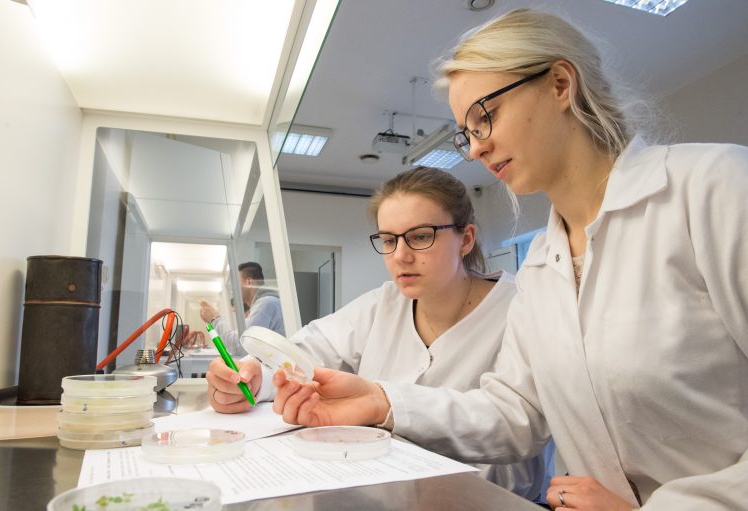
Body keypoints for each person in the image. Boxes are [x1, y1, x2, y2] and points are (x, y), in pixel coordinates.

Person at [269, 9, 748, 511]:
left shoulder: (712, 189)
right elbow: (515, 414)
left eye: (486, 117)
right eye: (467, 133)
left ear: (560, 84)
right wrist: (381, 402)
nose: (476, 149)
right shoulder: (542, 264)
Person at [206, 167, 554, 501]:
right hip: (384, 492)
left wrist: (384, 403)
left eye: (420, 236)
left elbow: (519, 425)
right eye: (389, 240)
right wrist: (255, 378)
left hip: (488, 500)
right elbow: (305, 351)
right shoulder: (382, 304)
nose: (400, 256)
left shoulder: (520, 307)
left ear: (466, 239)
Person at [200, 261, 285, 356]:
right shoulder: (263, 304)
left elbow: (240, 346)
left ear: (248, 282)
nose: (233, 289)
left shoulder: (266, 304)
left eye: (236, 283)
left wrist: (215, 318)